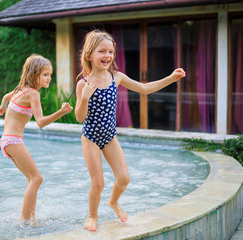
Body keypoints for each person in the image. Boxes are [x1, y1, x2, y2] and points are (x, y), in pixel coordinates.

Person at [74, 30, 186, 231]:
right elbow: (79, 118)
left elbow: (144, 89)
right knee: (98, 183)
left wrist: (170, 78)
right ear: (89, 55)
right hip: (90, 137)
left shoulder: (116, 77)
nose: (107, 56)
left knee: (124, 178)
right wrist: (84, 98)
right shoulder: (83, 83)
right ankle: (92, 215)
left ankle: (113, 202)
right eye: (102, 51)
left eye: (110, 51)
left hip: (109, 137)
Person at [0, 54, 73, 222]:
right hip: (13, 141)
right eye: (45, 75)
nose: (49, 78)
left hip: (7, 141)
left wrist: (2, 107)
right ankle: (25, 221)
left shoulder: (19, 90)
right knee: (37, 178)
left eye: (50, 75)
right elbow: (40, 122)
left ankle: (29, 218)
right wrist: (62, 111)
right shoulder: (33, 94)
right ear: (34, 74)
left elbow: (5, 97)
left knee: (32, 179)